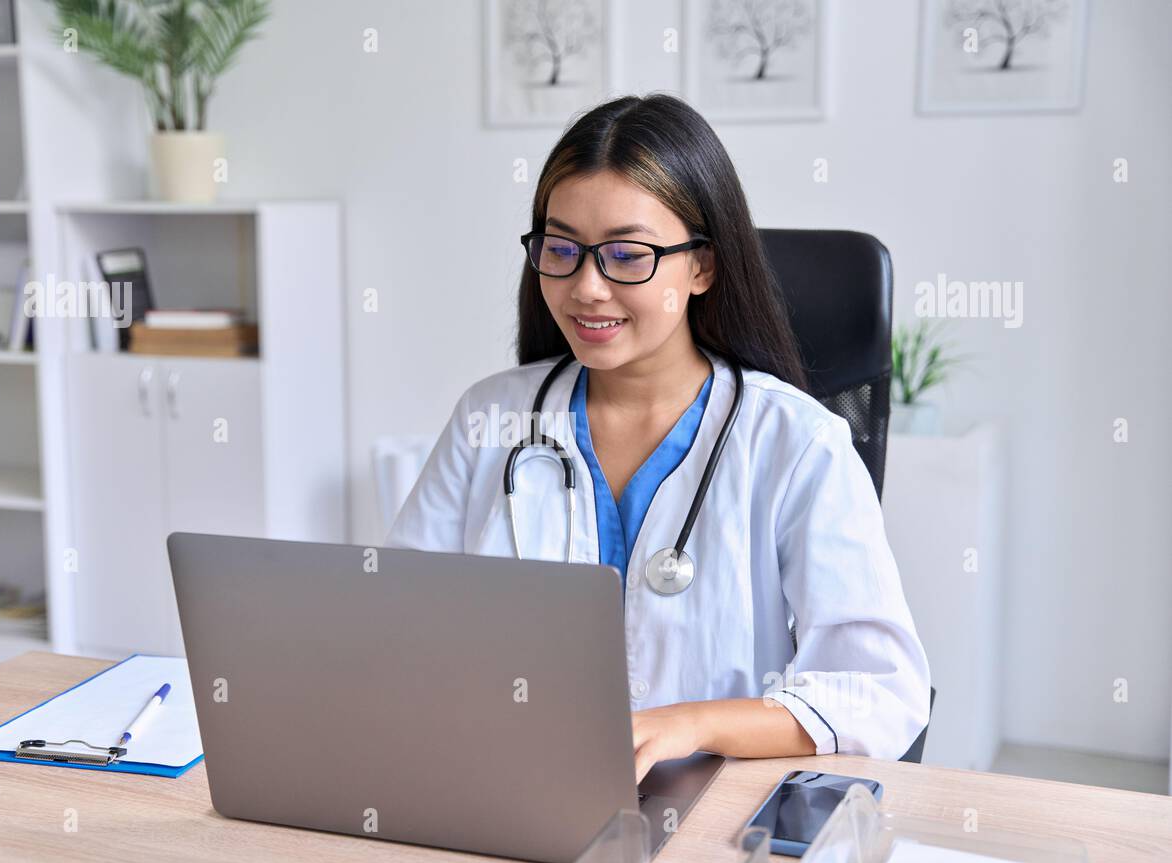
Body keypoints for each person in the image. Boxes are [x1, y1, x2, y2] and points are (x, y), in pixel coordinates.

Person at [386, 93, 930, 781]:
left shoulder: (798, 444)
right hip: (511, 785)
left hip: (714, 804)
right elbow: (400, 626)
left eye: (626, 255)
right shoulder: (488, 420)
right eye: (562, 249)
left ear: (701, 266)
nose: (587, 287)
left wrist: (688, 724)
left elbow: (879, 690)